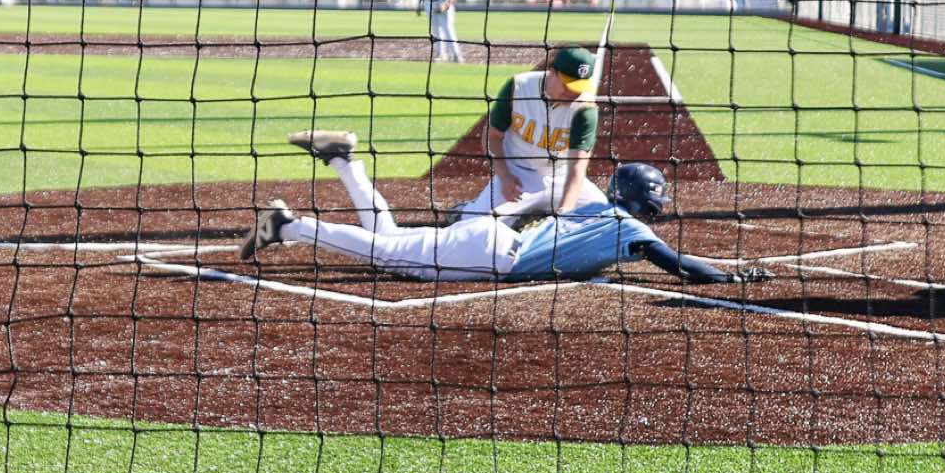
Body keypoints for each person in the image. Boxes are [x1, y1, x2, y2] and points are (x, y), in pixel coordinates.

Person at [247, 133, 771, 288]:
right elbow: (677, 264)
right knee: (390, 255)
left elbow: (542, 193)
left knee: (393, 242)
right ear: (642, 199)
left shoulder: (591, 197)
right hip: (494, 254)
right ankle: (289, 226)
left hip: (491, 239)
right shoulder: (627, 227)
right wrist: (729, 276)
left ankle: (343, 161)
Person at [449, 46, 610, 221]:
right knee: (474, 223)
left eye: (578, 87)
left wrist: (564, 215)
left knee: (606, 219)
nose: (572, 92)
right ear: (552, 72)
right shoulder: (520, 87)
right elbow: (492, 136)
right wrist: (505, 176)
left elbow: (577, 168)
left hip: (561, 176)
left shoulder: (585, 108)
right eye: (567, 85)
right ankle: (466, 210)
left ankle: (539, 215)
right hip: (518, 173)